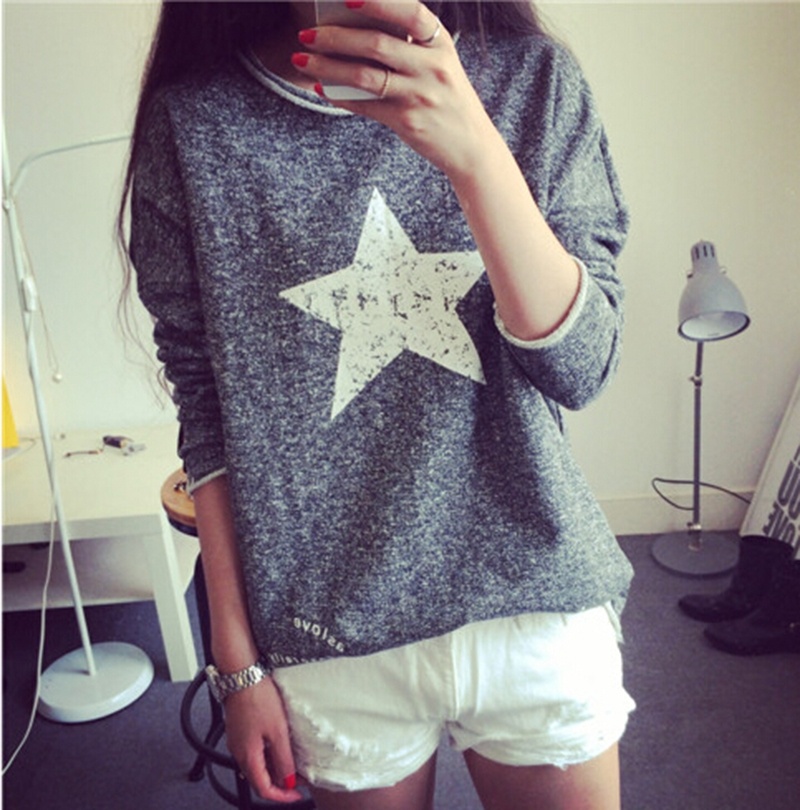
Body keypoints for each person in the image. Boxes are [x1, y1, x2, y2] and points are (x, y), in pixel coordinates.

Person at [122, 2, 636, 808]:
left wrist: (474, 152)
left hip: (532, 598)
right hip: (327, 625)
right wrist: (237, 659)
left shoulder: (531, 82)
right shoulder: (193, 125)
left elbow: (583, 367)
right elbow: (206, 403)